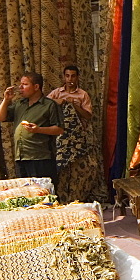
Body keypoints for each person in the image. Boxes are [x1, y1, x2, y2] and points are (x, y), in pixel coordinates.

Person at [0, 71, 63, 184]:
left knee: (43, 193)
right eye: (20, 84)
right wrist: (6, 100)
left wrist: (38, 129)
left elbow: (59, 129)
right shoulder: (20, 104)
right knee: (25, 193)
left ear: (36, 87)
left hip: (41, 157)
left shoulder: (49, 105)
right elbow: (0, 117)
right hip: (21, 156)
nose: (21, 87)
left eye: (25, 84)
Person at [48, 65, 95, 202]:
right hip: (60, 138)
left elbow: (87, 115)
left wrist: (74, 105)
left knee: (77, 169)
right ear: (63, 77)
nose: (70, 79)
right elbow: (45, 105)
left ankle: (77, 197)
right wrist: (61, 102)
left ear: (78, 77)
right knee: (61, 168)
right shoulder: (56, 93)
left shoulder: (83, 95)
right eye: (67, 76)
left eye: (73, 76)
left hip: (77, 138)